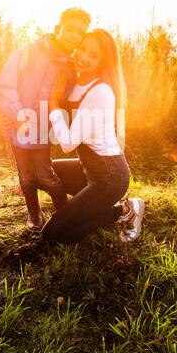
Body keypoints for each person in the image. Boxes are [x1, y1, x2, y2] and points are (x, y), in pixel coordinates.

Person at [42, 29, 144, 244]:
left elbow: (68, 143)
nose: (84, 56)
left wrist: (53, 103)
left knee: (52, 236)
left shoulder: (100, 92)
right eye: (83, 49)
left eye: (94, 55)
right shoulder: (75, 84)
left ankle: (124, 210)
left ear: (103, 62)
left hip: (109, 178)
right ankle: (75, 211)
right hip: (87, 169)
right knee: (41, 172)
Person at [0, 8, 91, 229]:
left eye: (80, 33)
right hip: (19, 126)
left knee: (46, 175)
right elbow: (6, 83)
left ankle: (65, 216)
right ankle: (34, 214)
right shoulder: (30, 52)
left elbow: (69, 100)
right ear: (58, 28)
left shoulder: (71, 66)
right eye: (70, 29)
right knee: (26, 175)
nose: (74, 36)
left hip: (43, 130)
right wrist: (14, 113)